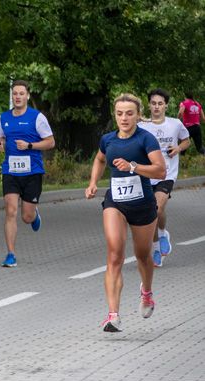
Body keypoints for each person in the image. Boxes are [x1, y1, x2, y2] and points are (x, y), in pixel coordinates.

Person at [85, 93, 166, 332]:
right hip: (116, 203)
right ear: (115, 115)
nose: (124, 117)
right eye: (119, 113)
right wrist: (93, 182)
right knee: (114, 255)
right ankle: (113, 315)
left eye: (129, 113)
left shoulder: (146, 139)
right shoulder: (108, 140)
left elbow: (160, 171)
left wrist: (133, 167)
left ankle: (147, 293)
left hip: (142, 205)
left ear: (138, 115)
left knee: (143, 256)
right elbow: (100, 160)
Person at [0, 79, 55, 267]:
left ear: (28, 95)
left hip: (32, 172)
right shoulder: (4, 117)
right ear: (12, 96)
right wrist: (0, 146)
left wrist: (30, 145)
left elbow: (50, 142)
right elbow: (0, 139)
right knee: (10, 210)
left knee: (25, 217)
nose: (18, 96)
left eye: (21, 93)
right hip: (10, 170)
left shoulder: (37, 117)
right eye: (15, 93)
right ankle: (10, 254)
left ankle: (34, 214)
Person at [138, 89, 190, 267]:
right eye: (153, 103)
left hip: (167, 173)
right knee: (150, 213)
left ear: (166, 105)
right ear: (149, 105)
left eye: (160, 103)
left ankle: (161, 234)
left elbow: (186, 140)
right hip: (147, 173)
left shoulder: (175, 124)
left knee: (157, 208)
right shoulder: (142, 126)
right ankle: (157, 247)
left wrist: (177, 149)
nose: (157, 107)